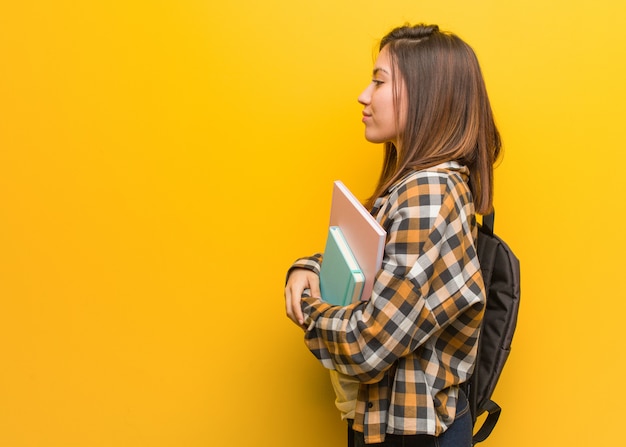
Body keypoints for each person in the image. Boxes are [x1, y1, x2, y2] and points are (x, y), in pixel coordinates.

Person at [284, 23, 501, 447]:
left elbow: (369, 343)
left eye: (379, 81)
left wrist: (308, 307)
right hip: (396, 424)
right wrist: (307, 268)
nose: (364, 96)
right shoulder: (415, 185)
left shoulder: (428, 194)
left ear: (427, 97)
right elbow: (369, 262)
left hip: (414, 434)